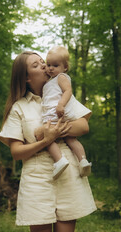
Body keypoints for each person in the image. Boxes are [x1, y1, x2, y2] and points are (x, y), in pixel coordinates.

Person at [0, 51, 96, 232]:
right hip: (37, 180)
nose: (43, 66)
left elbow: (83, 126)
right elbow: (16, 152)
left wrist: (55, 131)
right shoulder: (19, 107)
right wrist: (45, 140)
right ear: (26, 77)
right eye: (36, 65)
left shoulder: (62, 96)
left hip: (68, 174)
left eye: (42, 62)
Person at [37, 46, 92, 179]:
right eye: (48, 64)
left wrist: (61, 105)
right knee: (70, 138)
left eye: (55, 65)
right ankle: (82, 161)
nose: (50, 68)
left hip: (57, 113)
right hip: (56, 113)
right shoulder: (49, 82)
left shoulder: (61, 77)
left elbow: (68, 91)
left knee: (47, 137)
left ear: (65, 67)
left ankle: (59, 160)